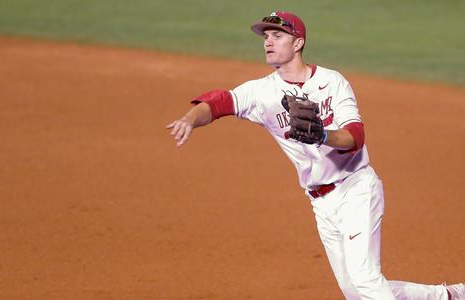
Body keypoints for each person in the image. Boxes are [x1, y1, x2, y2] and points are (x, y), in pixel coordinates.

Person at [166, 11, 464, 300]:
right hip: (320, 202)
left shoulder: (332, 82)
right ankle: (448, 296)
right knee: (355, 291)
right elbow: (219, 102)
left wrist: (322, 136)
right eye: (266, 36)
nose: (268, 42)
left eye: (278, 35)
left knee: (365, 280)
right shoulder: (261, 92)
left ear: (298, 43)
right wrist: (190, 119)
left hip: (355, 188)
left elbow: (355, 137)